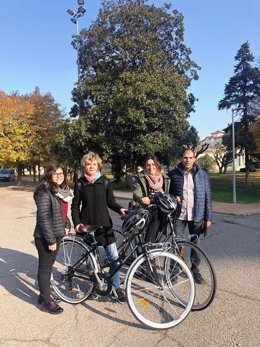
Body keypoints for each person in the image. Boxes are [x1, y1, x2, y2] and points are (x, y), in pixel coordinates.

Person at [71, 151, 127, 302]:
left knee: (114, 257)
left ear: (98, 166)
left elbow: (111, 202)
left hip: (104, 224)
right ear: (84, 166)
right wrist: (77, 223)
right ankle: (94, 287)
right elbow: (75, 206)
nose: (91, 167)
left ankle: (116, 287)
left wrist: (120, 209)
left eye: (94, 164)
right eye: (88, 164)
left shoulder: (105, 182)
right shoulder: (80, 183)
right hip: (87, 225)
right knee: (92, 261)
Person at [34, 163, 73, 314]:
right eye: (56, 174)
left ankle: (43, 295)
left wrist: (67, 223)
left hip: (56, 234)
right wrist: (50, 240)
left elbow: (61, 213)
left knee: (48, 267)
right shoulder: (43, 191)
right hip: (45, 237)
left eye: (61, 174)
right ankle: (47, 302)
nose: (59, 176)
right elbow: (43, 218)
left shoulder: (61, 191)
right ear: (49, 174)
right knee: (45, 268)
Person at [169, 148, 212, 284]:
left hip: (196, 215)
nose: (187, 160)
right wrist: (173, 198)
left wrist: (208, 218)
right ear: (181, 159)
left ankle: (195, 271)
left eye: (190, 157)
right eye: (185, 157)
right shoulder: (173, 174)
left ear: (194, 159)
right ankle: (175, 270)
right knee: (177, 244)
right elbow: (168, 193)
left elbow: (207, 197)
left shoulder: (202, 174)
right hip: (179, 215)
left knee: (195, 244)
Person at [133, 154, 170, 243]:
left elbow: (168, 192)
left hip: (161, 210)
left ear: (156, 165)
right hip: (146, 210)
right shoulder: (140, 177)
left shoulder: (164, 178)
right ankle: (147, 252)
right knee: (149, 238)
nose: (151, 167)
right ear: (145, 167)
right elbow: (136, 191)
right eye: (148, 165)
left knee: (157, 234)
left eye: (153, 164)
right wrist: (142, 198)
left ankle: (149, 250)